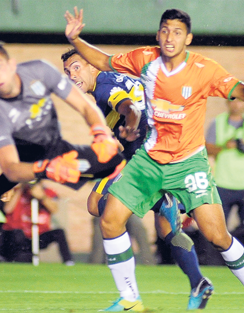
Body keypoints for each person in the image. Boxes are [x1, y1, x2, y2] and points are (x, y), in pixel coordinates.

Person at [64, 7, 244, 312]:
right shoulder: (145, 58)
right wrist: (76, 38)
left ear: (188, 38)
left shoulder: (205, 69)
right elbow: (103, 61)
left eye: (177, 32)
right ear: (158, 34)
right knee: (110, 220)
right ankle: (130, 299)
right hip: (149, 160)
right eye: (165, 30)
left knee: (218, 236)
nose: (170, 37)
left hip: (188, 163)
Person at [0, 39, 125, 261]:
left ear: (11, 64)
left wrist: (101, 133)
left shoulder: (39, 70)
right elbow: (11, 169)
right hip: (26, 155)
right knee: (25, 160)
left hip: (57, 146)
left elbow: (84, 105)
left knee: (113, 162)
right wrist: (47, 169)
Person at [61, 50, 210, 306]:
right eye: (66, 72)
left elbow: (129, 108)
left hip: (142, 155)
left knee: (96, 203)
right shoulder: (115, 78)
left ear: (91, 65)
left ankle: (130, 297)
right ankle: (198, 281)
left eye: (76, 67)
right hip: (164, 149)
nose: (71, 75)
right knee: (167, 229)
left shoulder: (104, 86)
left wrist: (130, 125)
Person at [206, 99, 244, 226]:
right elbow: (207, 149)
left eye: (239, 101)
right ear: (227, 103)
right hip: (223, 183)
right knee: (219, 225)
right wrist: (224, 146)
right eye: (232, 101)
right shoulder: (217, 122)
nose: (236, 105)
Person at [0, 182, 75, 265]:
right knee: (16, 236)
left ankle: (68, 261)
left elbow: (54, 209)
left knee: (59, 233)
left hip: (38, 235)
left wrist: (42, 197)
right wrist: (21, 189)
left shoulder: (47, 192)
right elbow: (8, 209)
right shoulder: (18, 192)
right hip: (19, 235)